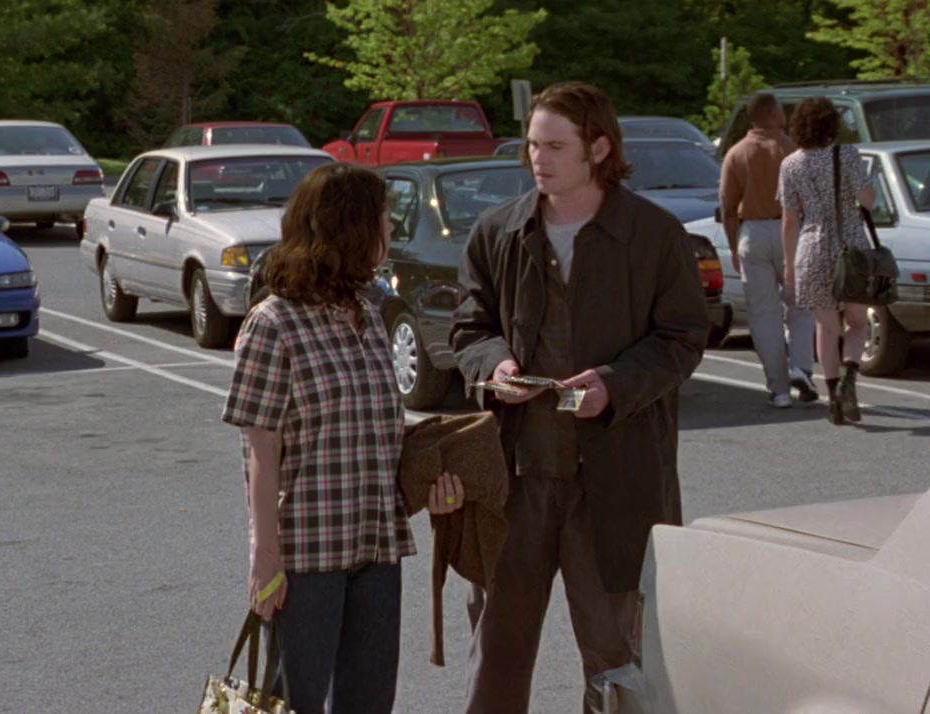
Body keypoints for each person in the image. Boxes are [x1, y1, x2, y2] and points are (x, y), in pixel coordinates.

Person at [450, 81, 709, 714]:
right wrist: (494, 365)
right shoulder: (498, 230)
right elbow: (468, 327)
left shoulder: (653, 234)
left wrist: (615, 385)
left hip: (616, 483)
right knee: (497, 655)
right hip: (515, 479)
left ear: (598, 148)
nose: (537, 159)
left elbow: (683, 338)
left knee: (618, 661)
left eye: (555, 146)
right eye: (532, 144)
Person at [221, 162, 465, 714]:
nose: (391, 231)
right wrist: (265, 555)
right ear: (351, 230)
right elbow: (261, 452)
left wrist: (432, 480)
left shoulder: (371, 314)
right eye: (383, 219)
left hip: (376, 545)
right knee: (291, 701)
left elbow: (377, 430)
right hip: (306, 554)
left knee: (369, 702)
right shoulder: (273, 323)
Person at [779, 97, 877, 425]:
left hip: (812, 249)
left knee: (825, 326)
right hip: (851, 248)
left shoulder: (790, 165)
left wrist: (789, 265)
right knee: (857, 322)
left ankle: (833, 398)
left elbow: (789, 220)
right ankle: (850, 376)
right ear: (833, 124)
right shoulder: (846, 155)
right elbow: (868, 201)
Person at [719, 92, 818, 408]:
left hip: (753, 231)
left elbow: (728, 206)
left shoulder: (736, 153)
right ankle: (801, 367)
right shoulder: (793, 150)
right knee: (800, 304)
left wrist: (733, 246)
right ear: (773, 115)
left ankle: (778, 389)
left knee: (763, 314)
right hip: (792, 229)